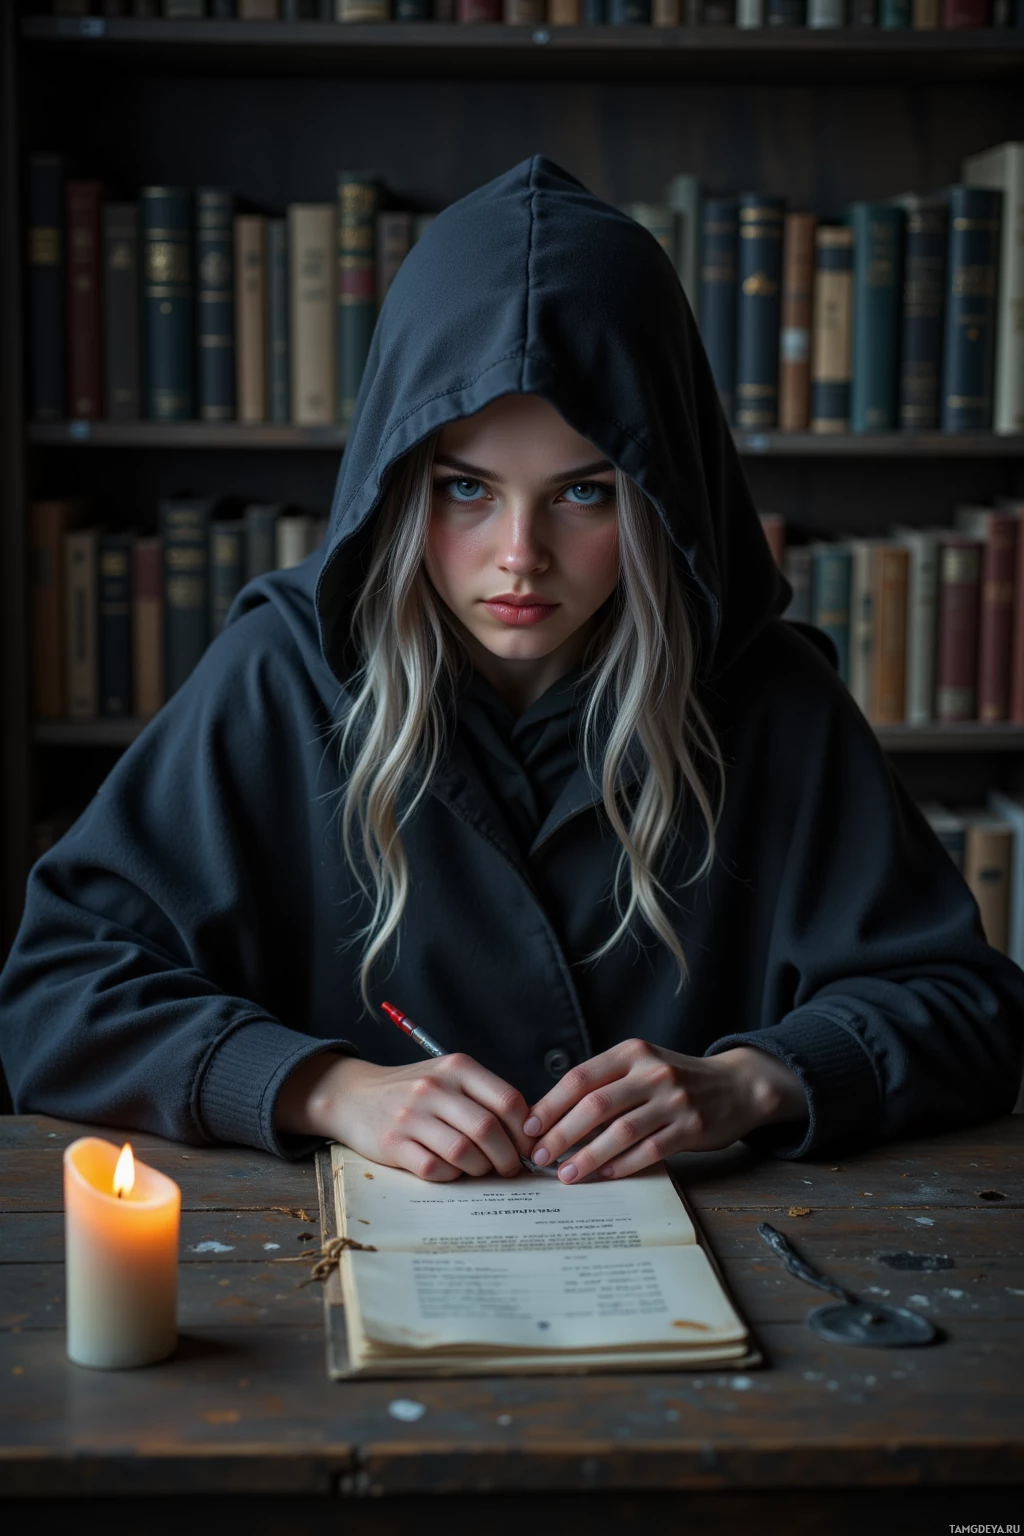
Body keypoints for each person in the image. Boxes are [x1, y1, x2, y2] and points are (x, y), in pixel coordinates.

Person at [1, 157, 1021, 1185]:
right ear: (396, 489)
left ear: (660, 497)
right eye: (465, 490)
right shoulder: (276, 677)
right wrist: (325, 1086)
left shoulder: (771, 702)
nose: (519, 554)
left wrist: (753, 1080)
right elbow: (59, 995)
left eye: (582, 494)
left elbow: (967, 1008)